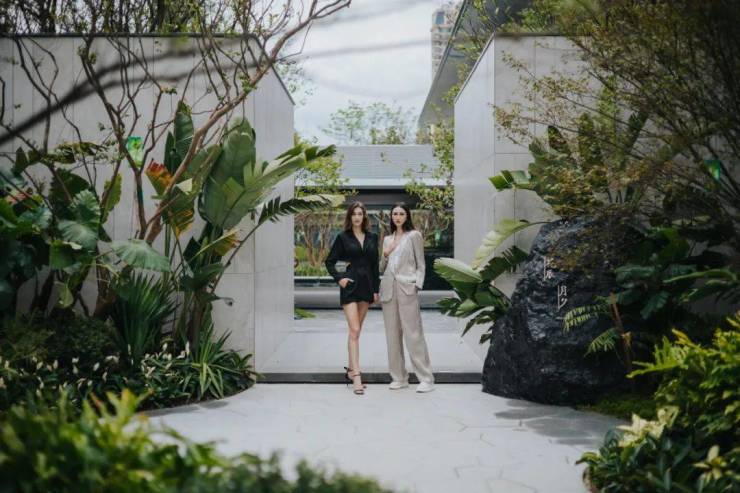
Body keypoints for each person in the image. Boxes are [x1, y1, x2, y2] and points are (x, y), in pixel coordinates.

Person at [325, 202, 380, 395]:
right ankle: (356, 376)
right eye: (354, 214)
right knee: (354, 329)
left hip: (367, 286)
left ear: (364, 217)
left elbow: (375, 265)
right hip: (350, 285)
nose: (357, 217)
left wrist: (376, 290)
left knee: (356, 332)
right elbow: (329, 261)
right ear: (350, 217)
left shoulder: (373, 237)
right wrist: (339, 278)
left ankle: (350, 369)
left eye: (360, 214)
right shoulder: (343, 237)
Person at [379, 203, 435, 393]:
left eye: (401, 213)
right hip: (389, 289)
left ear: (407, 216)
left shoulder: (414, 236)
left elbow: (421, 264)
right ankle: (399, 377)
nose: (397, 217)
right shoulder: (387, 239)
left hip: (407, 288)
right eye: (394, 213)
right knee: (392, 336)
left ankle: (426, 378)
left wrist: (417, 284)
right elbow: (381, 267)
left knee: (413, 334)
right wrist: (385, 254)